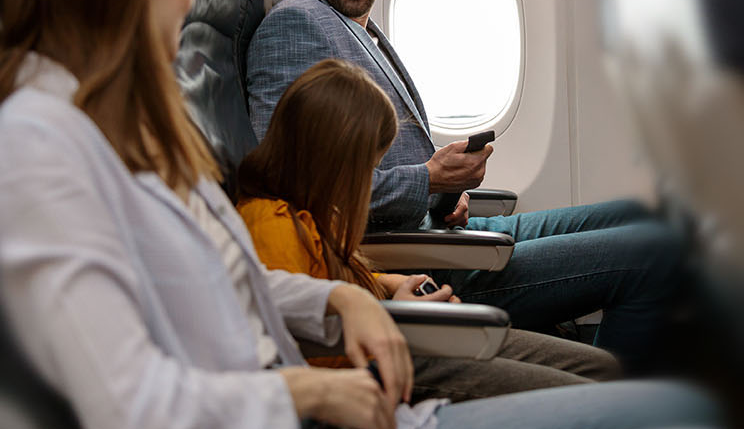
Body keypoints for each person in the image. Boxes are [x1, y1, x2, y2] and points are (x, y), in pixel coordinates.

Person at [0, 0, 743, 429]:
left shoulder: (123, 123)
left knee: (677, 405)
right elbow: (134, 417)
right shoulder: (39, 147)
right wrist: (307, 394)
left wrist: (340, 298)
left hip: (328, 400)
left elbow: (222, 279)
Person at [245, 0, 688, 366]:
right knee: (654, 253)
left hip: (437, 228)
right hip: (413, 259)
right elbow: (299, 190)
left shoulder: (353, 25)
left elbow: (375, 159)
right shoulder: (295, 29)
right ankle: (618, 404)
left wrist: (444, 193)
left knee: (642, 216)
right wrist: (428, 181)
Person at [235, 58, 621, 402]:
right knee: (589, 393)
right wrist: (404, 320)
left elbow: (330, 281)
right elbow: (306, 342)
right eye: (365, 169)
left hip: (403, 331)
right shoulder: (271, 227)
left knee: (604, 369)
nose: (367, 183)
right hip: (384, 367)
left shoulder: (319, 208)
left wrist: (390, 286)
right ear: (331, 162)